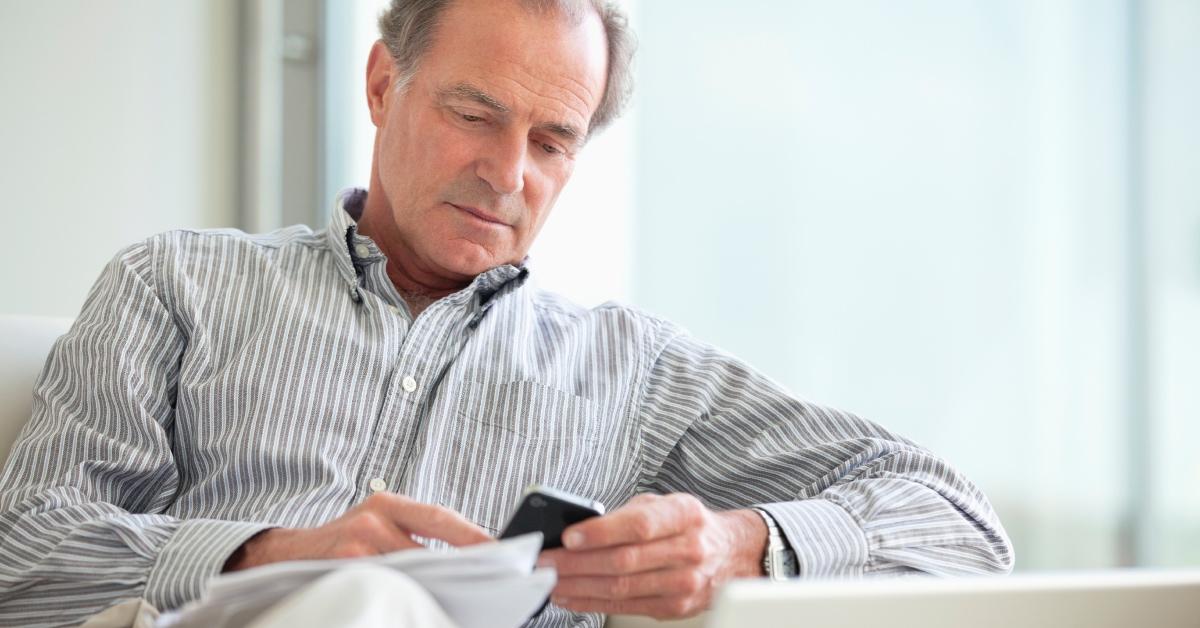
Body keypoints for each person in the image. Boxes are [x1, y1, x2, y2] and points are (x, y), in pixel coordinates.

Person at [0, 0, 1014, 626]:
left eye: (553, 141)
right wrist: (274, 555)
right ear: (383, 83)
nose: (506, 172)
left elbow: (956, 518)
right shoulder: (175, 284)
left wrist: (739, 540)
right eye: (474, 114)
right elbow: (23, 559)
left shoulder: (636, 368)